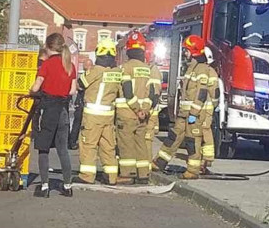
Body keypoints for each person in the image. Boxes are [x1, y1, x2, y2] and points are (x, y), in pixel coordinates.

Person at [153, 35, 216, 179]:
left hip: (193, 115)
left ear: (193, 51)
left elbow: (201, 92)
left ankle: (193, 171)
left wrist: (194, 113)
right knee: (173, 137)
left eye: (186, 50)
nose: (185, 53)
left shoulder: (201, 69)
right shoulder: (191, 68)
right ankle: (160, 162)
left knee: (192, 142)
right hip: (184, 114)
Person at [28, 33, 77, 199]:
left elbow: (36, 87)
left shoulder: (47, 65)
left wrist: (30, 90)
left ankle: (44, 187)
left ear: (48, 48)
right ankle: (68, 186)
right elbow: (72, 90)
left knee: (43, 148)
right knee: (62, 150)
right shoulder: (69, 65)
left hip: (48, 110)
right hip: (63, 111)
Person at [76, 38, 120, 184]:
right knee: (108, 146)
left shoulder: (95, 71)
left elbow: (80, 84)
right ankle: (111, 176)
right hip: (108, 116)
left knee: (88, 145)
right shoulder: (117, 72)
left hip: (93, 116)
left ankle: (87, 176)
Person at [115, 31, 157, 183]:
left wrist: (136, 109)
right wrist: (144, 110)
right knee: (141, 144)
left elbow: (127, 91)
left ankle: (127, 174)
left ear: (128, 50)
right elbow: (151, 93)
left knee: (126, 144)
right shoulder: (147, 69)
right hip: (143, 116)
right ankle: (143, 174)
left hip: (127, 114)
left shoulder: (124, 68)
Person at [199, 46, 220, 173]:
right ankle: (204, 157)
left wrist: (212, 106)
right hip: (201, 108)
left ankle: (207, 158)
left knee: (205, 131)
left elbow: (214, 92)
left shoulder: (210, 72)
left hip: (206, 108)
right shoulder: (205, 70)